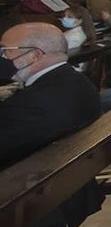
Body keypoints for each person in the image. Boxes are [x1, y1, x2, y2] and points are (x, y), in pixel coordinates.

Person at [0, 23, 101, 168]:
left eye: (5, 51)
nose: (3, 57)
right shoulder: (79, 81)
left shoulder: (30, 104)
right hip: (71, 169)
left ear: (34, 55)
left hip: (29, 177)